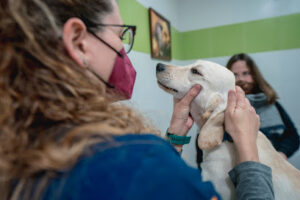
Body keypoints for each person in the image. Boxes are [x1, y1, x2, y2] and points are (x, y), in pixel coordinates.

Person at [0, 1, 273, 199]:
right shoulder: (138, 163)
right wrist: (248, 149)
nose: (123, 49)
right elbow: (148, 176)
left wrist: (175, 137)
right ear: (79, 42)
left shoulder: (18, 151)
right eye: (121, 35)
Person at [226, 53, 300, 160]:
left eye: (246, 73)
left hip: (274, 169)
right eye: (235, 75)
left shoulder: (271, 102)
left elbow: (293, 137)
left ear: (255, 76)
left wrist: (281, 155)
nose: (240, 79)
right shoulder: (225, 108)